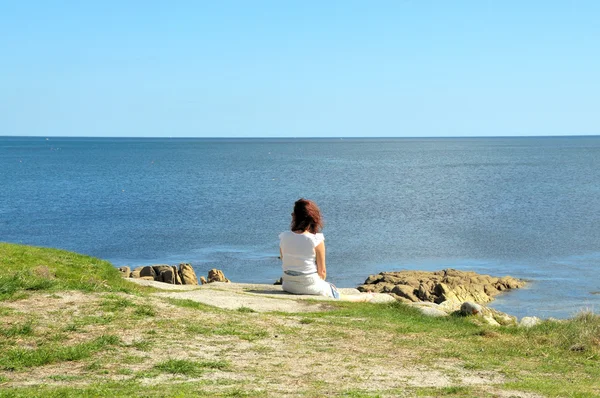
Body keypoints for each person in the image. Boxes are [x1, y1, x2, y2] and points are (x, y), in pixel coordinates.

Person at [279, 198, 340, 298]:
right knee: (333, 291)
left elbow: (284, 259)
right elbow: (322, 272)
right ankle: (366, 297)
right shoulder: (316, 239)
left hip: (288, 285)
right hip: (309, 285)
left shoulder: (284, 237)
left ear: (294, 217)